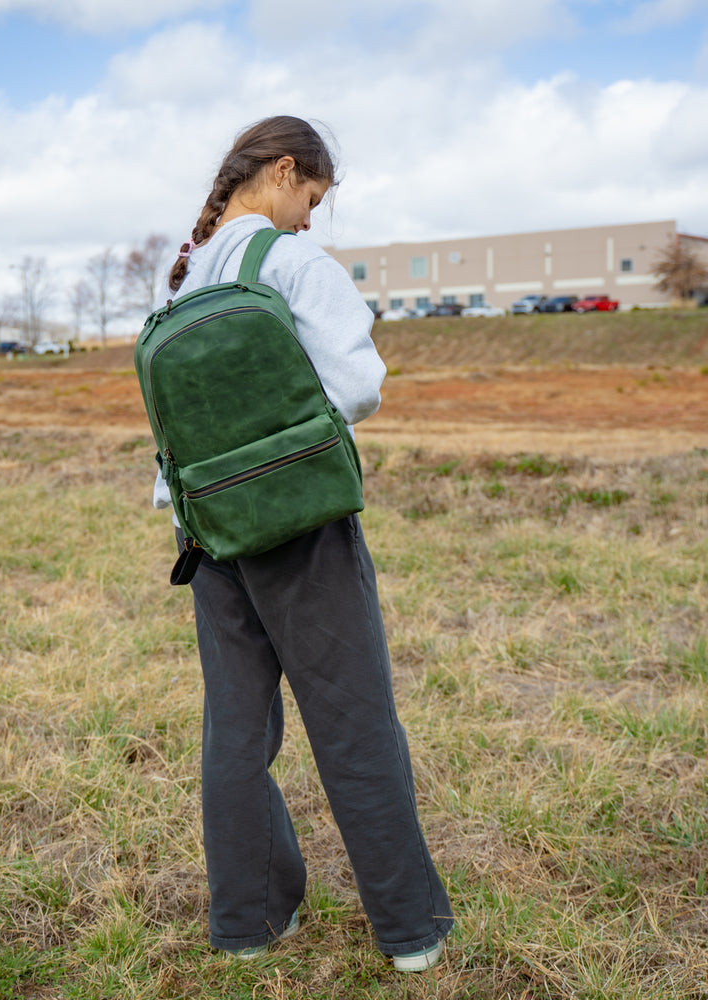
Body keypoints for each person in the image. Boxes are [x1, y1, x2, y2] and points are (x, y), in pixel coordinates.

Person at [154, 115, 454, 972]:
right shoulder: (288, 265)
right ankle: (411, 933)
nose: (311, 218)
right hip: (299, 530)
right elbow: (356, 385)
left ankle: (250, 922)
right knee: (355, 724)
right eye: (312, 197)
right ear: (283, 171)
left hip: (207, 532)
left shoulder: (178, 282)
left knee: (236, 735)